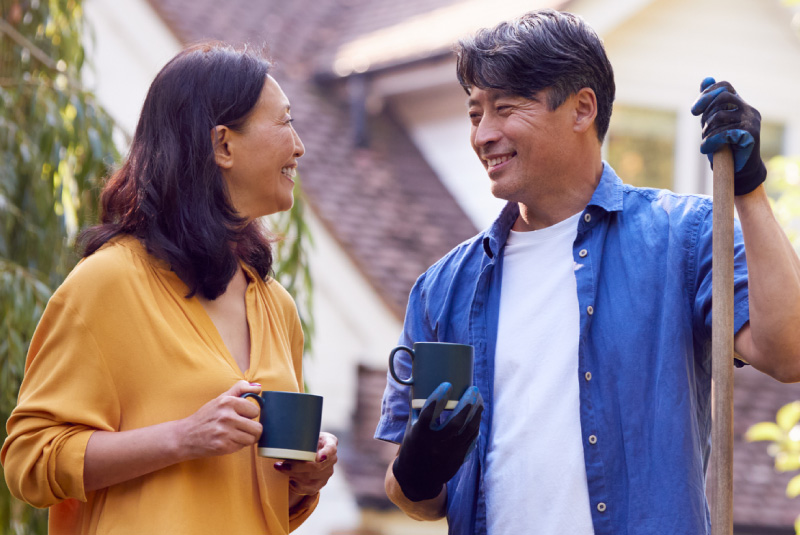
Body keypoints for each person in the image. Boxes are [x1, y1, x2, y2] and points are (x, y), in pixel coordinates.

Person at [375, 9, 800, 535]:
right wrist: (418, 474)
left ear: (581, 109)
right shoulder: (443, 289)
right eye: (473, 113)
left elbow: (789, 352)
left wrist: (749, 187)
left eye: (505, 108)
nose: (484, 134)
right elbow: (407, 493)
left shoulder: (686, 237)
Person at [1, 42, 337, 534]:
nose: (299, 146)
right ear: (223, 145)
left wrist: (305, 479)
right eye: (285, 122)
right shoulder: (106, 284)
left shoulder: (276, 306)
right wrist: (182, 437)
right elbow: (29, 461)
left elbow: (254, 501)